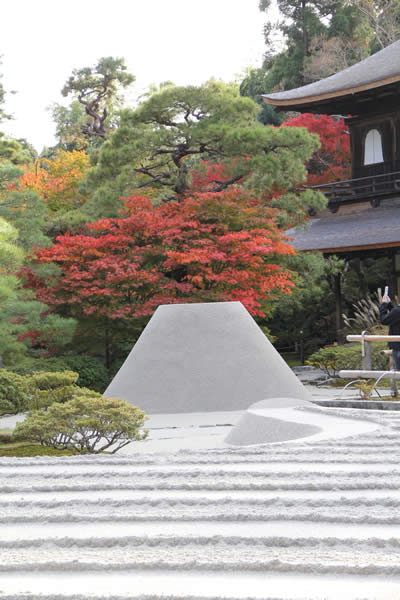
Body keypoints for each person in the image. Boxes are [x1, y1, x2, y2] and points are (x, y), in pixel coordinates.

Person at [380, 294, 400, 369]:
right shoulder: (397, 311)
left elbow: (383, 320)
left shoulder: (397, 311)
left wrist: (384, 305)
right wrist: (390, 305)